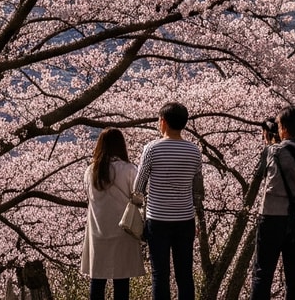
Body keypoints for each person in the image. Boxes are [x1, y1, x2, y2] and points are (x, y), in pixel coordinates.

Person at [136, 102, 204, 300]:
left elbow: (139, 187)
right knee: (185, 275)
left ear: (163, 121)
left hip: (158, 220)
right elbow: (197, 190)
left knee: (160, 275)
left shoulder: (151, 149)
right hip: (185, 220)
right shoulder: (194, 151)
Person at [250, 107, 295, 300]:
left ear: (285, 128)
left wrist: (268, 144)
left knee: (262, 273)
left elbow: (262, 173)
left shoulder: (274, 151)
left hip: (272, 217)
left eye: (279, 126)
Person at [82, 128, 144, 300]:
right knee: (121, 280)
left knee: (97, 279)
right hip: (122, 230)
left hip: (97, 231)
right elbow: (139, 197)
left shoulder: (90, 171)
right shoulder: (129, 169)